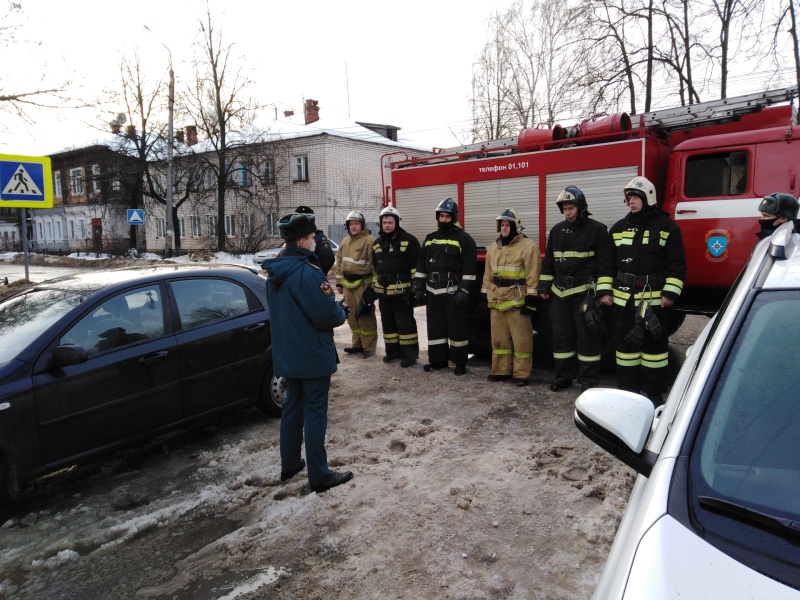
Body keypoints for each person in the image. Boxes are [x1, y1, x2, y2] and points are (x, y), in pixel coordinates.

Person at [264, 212, 353, 493]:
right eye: (313, 237)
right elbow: (327, 316)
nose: (316, 241)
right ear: (302, 240)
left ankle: (290, 465)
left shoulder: (275, 272)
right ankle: (319, 476)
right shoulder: (307, 274)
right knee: (315, 414)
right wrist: (340, 310)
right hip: (312, 356)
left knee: (292, 409)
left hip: (288, 355)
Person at [597, 176, 687, 406]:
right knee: (625, 349)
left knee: (654, 351)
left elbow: (677, 264)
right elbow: (607, 264)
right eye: (629, 198)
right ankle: (628, 393)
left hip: (655, 300)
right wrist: (605, 292)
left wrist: (670, 294)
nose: (631, 202)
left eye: (636, 197)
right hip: (623, 300)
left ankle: (654, 395)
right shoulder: (618, 228)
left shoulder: (667, 227)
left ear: (649, 198)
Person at [538, 187, 610, 393]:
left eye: (571, 208)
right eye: (564, 209)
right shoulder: (557, 230)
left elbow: (604, 265)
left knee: (587, 339)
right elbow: (549, 262)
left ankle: (588, 381)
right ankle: (563, 377)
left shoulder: (597, 230)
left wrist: (603, 292)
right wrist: (544, 287)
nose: (567, 212)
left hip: (583, 293)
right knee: (560, 338)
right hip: (559, 294)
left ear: (581, 207)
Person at [414, 198, 478, 376]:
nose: (443, 220)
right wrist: (419, 288)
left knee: (457, 328)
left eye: (447, 216)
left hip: (453, 292)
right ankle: (438, 361)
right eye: (441, 216)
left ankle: (459, 362)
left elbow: (470, 268)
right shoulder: (430, 239)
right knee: (436, 329)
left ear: (453, 217)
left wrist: (464, 290)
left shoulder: (464, 239)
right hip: (433, 291)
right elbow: (421, 265)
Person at [480, 208, 541, 386]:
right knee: (499, 340)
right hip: (496, 300)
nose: (505, 228)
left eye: (508, 224)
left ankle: (521, 375)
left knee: (522, 341)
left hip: (517, 301)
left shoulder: (529, 246)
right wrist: (483, 297)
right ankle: (501, 371)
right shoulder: (493, 248)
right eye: (502, 225)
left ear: (516, 226)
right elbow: (487, 275)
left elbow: (533, 274)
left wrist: (531, 299)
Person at [358, 205, 420, 368]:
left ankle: (409, 355)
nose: (387, 225)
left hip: (402, 293)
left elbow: (416, 268)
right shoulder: (377, 243)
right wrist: (374, 289)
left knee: (405, 325)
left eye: (390, 222)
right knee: (389, 325)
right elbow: (376, 268)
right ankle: (392, 352)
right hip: (384, 293)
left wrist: (414, 290)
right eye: (384, 222)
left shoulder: (409, 240)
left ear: (397, 222)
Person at [335, 210, 377, 357]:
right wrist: (339, 283)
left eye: (356, 224)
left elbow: (376, 265)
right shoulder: (344, 242)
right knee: (352, 316)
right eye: (351, 224)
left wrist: (373, 288)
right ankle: (357, 345)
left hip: (363, 286)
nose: (353, 227)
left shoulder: (370, 240)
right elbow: (339, 263)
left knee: (365, 316)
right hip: (348, 285)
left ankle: (369, 348)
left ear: (362, 225)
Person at [295, 205, 336, 274]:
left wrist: (317, 273)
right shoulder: (293, 237)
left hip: (312, 276)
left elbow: (329, 258)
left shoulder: (318, 237)